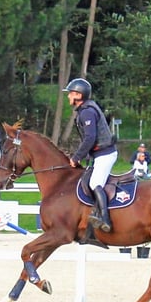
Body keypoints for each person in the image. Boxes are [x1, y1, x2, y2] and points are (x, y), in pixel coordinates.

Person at [64, 77, 118, 241]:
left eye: (70, 94)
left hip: (105, 154)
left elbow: (90, 138)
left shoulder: (87, 111)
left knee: (95, 183)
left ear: (78, 95)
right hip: (99, 154)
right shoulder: (84, 110)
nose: (68, 97)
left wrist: (76, 157)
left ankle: (104, 219)